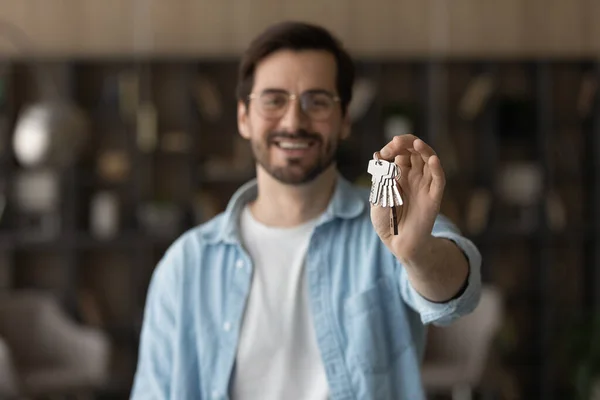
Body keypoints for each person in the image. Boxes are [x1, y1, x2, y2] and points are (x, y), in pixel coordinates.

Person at [130, 21, 482, 400]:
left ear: (345, 118)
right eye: (273, 100)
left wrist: (419, 254)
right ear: (244, 118)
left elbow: (455, 299)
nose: (294, 122)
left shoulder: (392, 224)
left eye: (317, 101)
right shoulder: (185, 263)